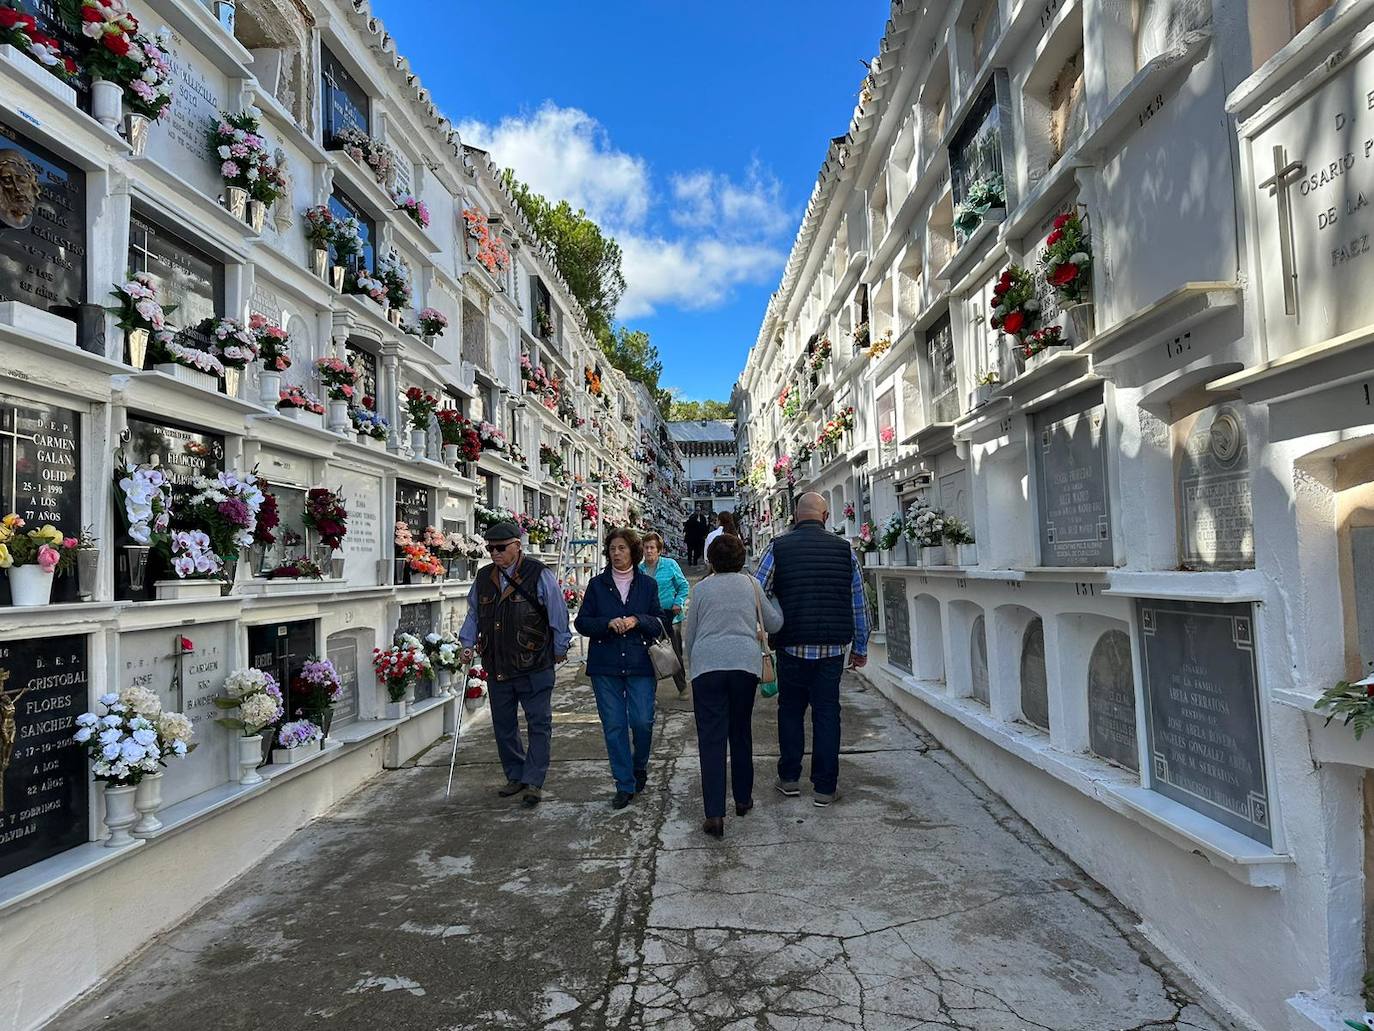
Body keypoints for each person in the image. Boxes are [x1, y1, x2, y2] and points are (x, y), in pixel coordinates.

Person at [754, 492, 869, 808]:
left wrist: (771, 621)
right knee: (827, 713)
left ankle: (790, 778)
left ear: (794, 516)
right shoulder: (844, 551)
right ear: (826, 515)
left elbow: (756, 589)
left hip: (791, 646)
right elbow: (858, 603)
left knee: (790, 711)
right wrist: (860, 647)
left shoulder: (777, 547)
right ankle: (825, 787)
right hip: (832, 648)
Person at [458, 520, 572, 809]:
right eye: (490, 548)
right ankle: (515, 774)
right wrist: (467, 642)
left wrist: (559, 648)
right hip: (498, 663)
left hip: (534, 662)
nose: (494, 553)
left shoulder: (538, 574)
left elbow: (557, 613)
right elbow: (474, 612)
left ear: (517, 546)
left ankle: (534, 781)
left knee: (539, 723)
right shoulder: (484, 578)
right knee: (504, 725)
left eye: (501, 548)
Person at [684, 533, 783, 839]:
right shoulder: (751, 585)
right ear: (741, 558)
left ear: (711, 560)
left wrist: (694, 664)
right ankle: (743, 798)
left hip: (707, 668)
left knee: (711, 739)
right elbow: (775, 624)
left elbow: (691, 634)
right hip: (744, 666)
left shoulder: (701, 590)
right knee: (740, 731)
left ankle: (714, 813)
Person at [574, 527, 664, 809]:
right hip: (606, 665)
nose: (616, 553)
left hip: (639, 663)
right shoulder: (598, 585)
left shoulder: (647, 585)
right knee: (614, 726)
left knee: (642, 721)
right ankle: (624, 784)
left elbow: (660, 621)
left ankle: (639, 766)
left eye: (622, 548)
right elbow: (582, 622)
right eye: (612, 549)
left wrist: (637, 619)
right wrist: (607, 623)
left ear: (633, 552)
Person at [640, 531, 690, 694]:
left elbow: (683, 585)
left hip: (671, 615)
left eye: (652, 548)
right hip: (650, 617)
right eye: (646, 547)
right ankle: (650, 692)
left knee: (674, 651)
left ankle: (682, 687)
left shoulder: (669, 565)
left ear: (659, 550)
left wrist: (678, 602)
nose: (648, 551)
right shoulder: (639, 570)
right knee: (650, 652)